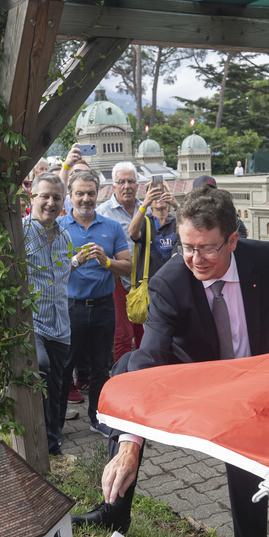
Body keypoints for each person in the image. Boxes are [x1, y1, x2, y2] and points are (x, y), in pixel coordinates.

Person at [80, 186, 269, 537]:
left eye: (207, 248)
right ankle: (115, 509)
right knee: (127, 369)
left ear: (233, 240)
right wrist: (131, 444)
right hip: (190, 378)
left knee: (246, 464)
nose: (195, 259)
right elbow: (151, 360)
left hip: (245, 385)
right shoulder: (171, 281)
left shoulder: (267, 260)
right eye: (186, 246)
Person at [60, 170, 132, 436]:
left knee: (102, 367)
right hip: (71, 307)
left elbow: (128, 267)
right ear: (70, 196)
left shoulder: (111, 227)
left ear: (98, 193)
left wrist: (107, 262)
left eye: (91, 193)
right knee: (66, 367)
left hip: (103, 307)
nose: (86, 198)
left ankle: (98, 418)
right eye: (80, 193)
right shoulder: (59, 227)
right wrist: (76, 261)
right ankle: (56, 424)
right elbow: (50, 272)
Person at [25, 173, 74, 455]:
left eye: (56, 197)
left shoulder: (65, 236)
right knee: (40, 368)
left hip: (61, 324)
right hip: (33, 323)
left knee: (57, 385)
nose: (50, 202)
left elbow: (62, 276)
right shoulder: (19, 232)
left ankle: (53, 443)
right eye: (45, 196)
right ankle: (38, 439)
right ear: (33, 197)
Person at [125, 179, 179, 351]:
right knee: (153, 336)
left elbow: (192, 227)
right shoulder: (146, 221)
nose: (159, 195)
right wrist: (145, 203)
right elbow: (132, 232)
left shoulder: (176, 222)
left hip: (174, 287)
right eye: (154, 191)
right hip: (150, 290)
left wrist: (177, 205)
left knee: (176, 334)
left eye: (163, 191)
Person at [98, 162, 143, 362]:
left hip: (144, 281)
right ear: (114, 185)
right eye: (121, 181)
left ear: (137, 184)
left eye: (131, 181)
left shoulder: (145, 209)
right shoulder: (103, 213)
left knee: (144, 332)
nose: (127, 186)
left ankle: (144, 373)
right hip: (117, 281)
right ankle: (121, 376)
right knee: (123, 334)